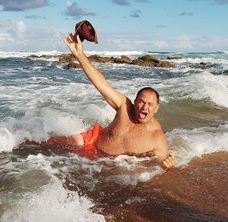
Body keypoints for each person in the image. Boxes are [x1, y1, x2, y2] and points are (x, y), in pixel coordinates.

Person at [45, 33, 176, 169]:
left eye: (150, 104)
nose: (145, 107)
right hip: (92, 142)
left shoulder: (157, 138)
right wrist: (79, 55)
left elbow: (159, 164)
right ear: (135, 101)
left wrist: (167, 164)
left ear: (156, 108)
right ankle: (25, 144)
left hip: (107, 164)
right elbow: (101, 84)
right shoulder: (124, 106)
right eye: (142, 102)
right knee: (48, 145)